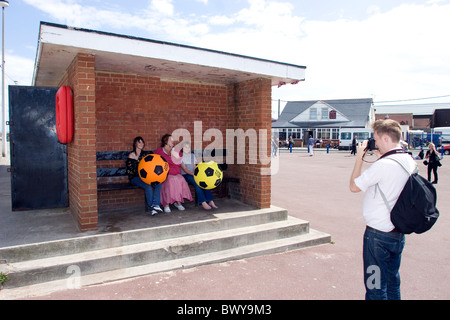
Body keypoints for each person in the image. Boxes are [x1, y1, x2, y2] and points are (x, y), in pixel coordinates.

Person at [349, 119, 416, 300]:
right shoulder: (408, 161)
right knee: (392, 282)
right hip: (398, 233)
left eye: (377, 139)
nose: (375, 143)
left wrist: (358, 160)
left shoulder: (383, 165)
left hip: (377, 236)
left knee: (375, 286)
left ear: (386, 138)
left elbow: (354, 186)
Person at [154, 134, 193, 212]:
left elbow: (179, 162)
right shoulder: (159, 151)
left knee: (180, 179)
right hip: (165, 174)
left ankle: (178, 203)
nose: (173, 141)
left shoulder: (176, 150)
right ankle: (166, 204)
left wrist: (173, 154)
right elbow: (154, 162)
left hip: (176, 173)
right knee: (170, 180)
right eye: (171, 140)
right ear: (166, 141)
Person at [126, 136, 163, 216]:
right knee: (148, 186)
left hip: (145, 177)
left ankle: (156, 204)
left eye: (142, 142)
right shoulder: (131, 155)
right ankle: (151, 208)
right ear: (135, 143)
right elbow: (131, 171)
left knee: (158, 183)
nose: (141, 144)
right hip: (135, 178)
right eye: (139, 142)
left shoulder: (145, 155)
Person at [180, 142, 218, 210]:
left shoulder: (192, 155)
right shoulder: (181, 156)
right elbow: (185, 169)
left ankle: (210, 200)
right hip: (186, 175)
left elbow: (195, 166)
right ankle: (203, 202)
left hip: (194, 174)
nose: (187, 148)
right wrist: (194, 175)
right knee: (197, 183)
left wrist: (198, 174)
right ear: (182, 148)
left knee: (204, 181)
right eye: (185, 147)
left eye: (188, 147)